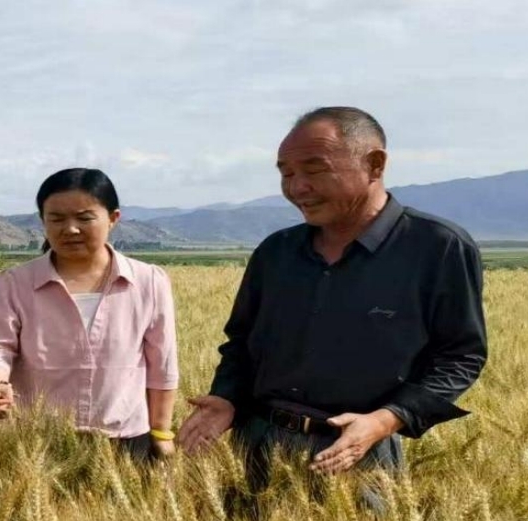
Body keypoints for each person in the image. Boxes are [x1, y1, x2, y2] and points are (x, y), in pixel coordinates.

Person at [177, 107, 487, 494]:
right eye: (286, 174)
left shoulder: (437, 247)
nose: (297, 187)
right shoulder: (276, 252)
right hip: (256, 445)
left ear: (374, 165)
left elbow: (460, 356)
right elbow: (241, 343)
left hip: (359, 456)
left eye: (314, 169)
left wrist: (385, 420)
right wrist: (226, 397)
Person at [0, 168, 179, 462]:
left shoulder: (149, 281)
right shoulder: (14, 283)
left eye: (84, 218)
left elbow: (162, 363)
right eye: (56, 219)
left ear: (113, 218)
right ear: (42, 221)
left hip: (126, 439)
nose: (70, 229)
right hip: (39, 442)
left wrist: (162, 432)